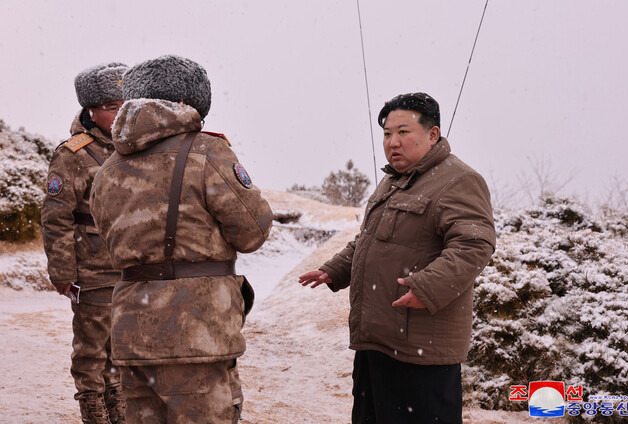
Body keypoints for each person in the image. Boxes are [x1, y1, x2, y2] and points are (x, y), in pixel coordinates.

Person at [89, 54, 273, 424]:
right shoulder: (207, 152)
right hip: (197, 331)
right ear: (191, 103)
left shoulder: (108, 166)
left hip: (130, 332)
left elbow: (108, 239)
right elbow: (253, 231)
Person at [299, 92, 496, 424]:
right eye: (388, 134)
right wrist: (334, 270)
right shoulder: (391, 181)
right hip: (375, 342)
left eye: (403, 132)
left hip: (421, 350)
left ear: (432, 134)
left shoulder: (458, 180)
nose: (393, 142)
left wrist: (427, 288)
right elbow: (370, 241)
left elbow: (474, 244)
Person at [41, 62, 129, 424]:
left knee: (122, 345)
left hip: (131, 267)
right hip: (92, 269)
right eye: (111, 106)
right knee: (92, 347)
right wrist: (62, 271)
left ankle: (118, 399)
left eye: (125, 103)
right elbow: (55, 217)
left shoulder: (135, 148)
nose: (119, 112)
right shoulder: (73, 154)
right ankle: (92, 404)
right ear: (91, 110)